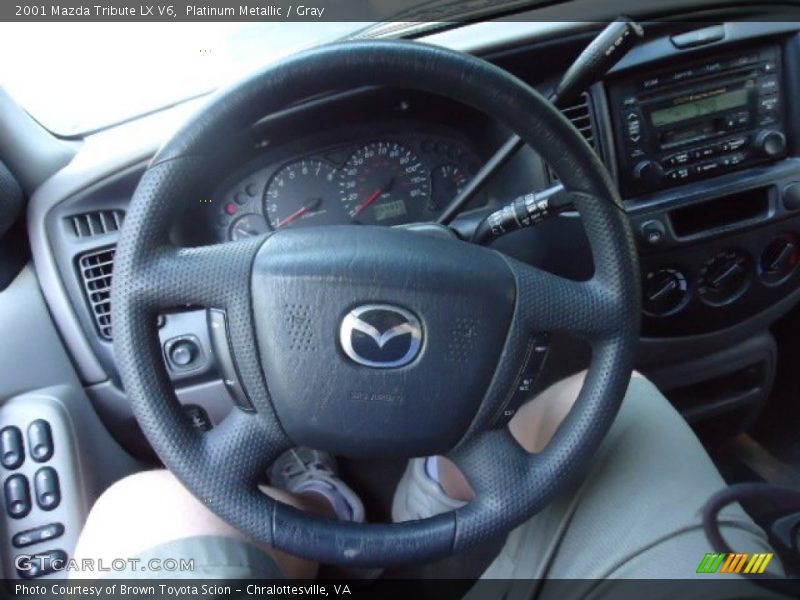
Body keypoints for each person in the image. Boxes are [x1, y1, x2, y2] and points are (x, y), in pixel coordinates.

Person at [72, 372, 778, 581]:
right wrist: (763, 558)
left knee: (149, 509)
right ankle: (427, 494)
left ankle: (319, 510)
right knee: (606, 398)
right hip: (717, 575)